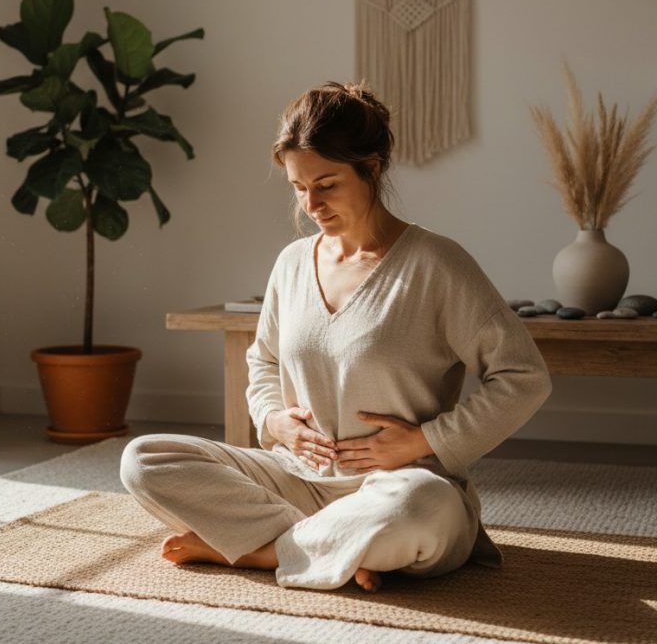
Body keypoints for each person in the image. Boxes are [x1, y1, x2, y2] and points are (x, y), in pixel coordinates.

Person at [121, 81, 552, 592]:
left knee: (421, 510)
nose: (312, 204)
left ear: (372, 168)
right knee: (144, 460)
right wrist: (274, 420)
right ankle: (334, 546)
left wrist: (423, 441)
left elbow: (524, 377)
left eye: (326, 185)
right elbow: (263, 361)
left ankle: (260, 550)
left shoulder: (437, 264)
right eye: (298, 187)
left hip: (399, 485)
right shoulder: (292, 264)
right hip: (296, 479)